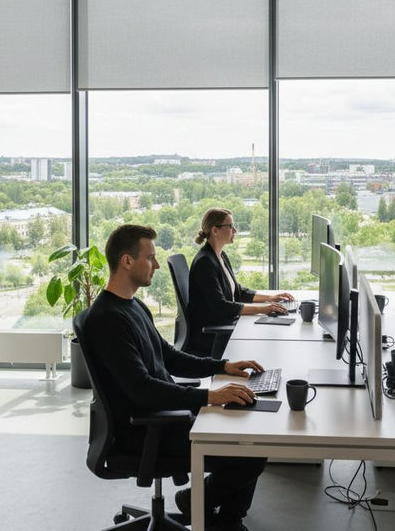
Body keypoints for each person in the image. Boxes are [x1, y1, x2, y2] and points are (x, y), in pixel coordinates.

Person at [86, 224, 267, 531]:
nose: (157, 265)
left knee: (249, 428)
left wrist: (222, 366)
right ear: (127, 261)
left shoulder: (132, 305)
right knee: (248, 450)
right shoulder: (108, 320)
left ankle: (223, 518)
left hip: (165, 413)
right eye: (151, 258)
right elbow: (142, 390)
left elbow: (168, 356)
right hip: (145, 430)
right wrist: (210, 396)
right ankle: (204, 506)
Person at [186, 208, 293, 356]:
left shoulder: (220, 255)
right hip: (212, 334)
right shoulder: (205, 262)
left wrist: (270, 298)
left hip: (225, 323)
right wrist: (263, 309)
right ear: (215, 230)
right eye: (230, 226)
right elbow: (220, 306)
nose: (234, 230)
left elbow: (237, 291)